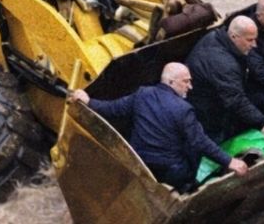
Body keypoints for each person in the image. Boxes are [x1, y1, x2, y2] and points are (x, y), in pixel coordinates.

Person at [68, 62, 249, 192]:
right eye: (186, 81)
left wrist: (88, 101)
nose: (190, 87)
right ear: (171, 82)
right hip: (172, 173)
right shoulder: (184, 109)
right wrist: (230, 161)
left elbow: (112, 109)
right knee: (195, 143)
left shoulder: (142, 95)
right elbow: (201, 142)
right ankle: (189, 186)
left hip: (141, 165)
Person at [185, 15, 264, 144]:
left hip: (219, 102)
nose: (254, 45)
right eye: (250, 40)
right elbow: (235, 98)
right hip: (208, 113)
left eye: (255, 39)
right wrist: (262, 124)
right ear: (233, 37)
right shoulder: (222, 63)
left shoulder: (220, 38)